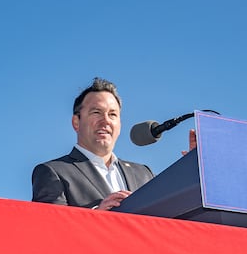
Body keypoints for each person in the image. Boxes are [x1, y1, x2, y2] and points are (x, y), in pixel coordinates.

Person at [32, 77, 167, 210]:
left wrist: (188, 169)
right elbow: (50, 227)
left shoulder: (144, 174)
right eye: (96, 112)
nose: (106, 121)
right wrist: (97, 216)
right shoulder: (53, 172)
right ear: (76, 122)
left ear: (120, 125)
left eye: (112, 114)